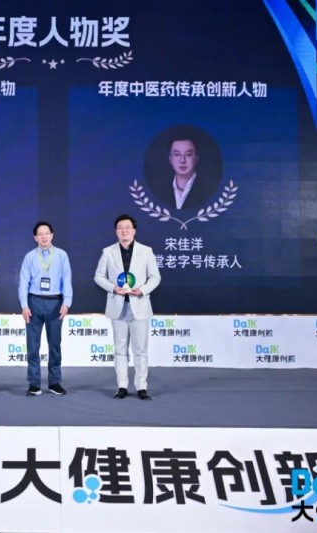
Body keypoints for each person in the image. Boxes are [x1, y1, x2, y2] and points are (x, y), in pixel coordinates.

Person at [94, 214, 161, 400]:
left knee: (140, 350)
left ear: (134, 230)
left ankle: (142, 387)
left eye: (127, 227)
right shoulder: (108, 252)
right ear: (116, 231)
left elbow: (155, 277)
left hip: (139, 305)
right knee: (120, 350)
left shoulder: (146, 251)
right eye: (120, 227)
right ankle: (122, 386)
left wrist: (142, 290)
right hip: (118, 306)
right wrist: (113, 288)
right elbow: (98, 276)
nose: (124, 230)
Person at [18, 221, 73, 396]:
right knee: (32, 346)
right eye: (40, 234)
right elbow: (23, 283)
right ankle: (34, 383)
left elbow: (67, 280)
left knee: (55, 345)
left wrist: (67, 302)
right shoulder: (29, 257)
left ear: (52, 235)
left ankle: (54, 382)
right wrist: (24, 305)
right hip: (33, 302)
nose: (44, 237)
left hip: (55, 303)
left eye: (47, 233)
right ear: (35, 237)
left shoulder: (62, 255)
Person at [162, 135, 217, 211]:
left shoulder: (209, 190)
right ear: (170, 159)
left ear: (196, 158)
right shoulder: (160, 190)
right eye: (177, 154)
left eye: (188, 154)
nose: (182, 160)